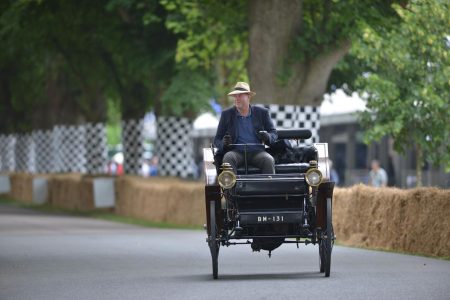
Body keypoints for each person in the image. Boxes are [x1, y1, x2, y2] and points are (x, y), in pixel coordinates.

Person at [213, 82, 277, 174]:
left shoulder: (262, 113)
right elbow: (217, 140)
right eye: (235, 96)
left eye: (240, 96)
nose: (237, 99)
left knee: (268, 160)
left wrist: (268, 137)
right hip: (236, 152)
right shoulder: (226, 114)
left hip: (257, 152)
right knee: (228, 157)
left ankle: (268, 188)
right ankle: (231, 188)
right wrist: (223, 143)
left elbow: (273, 133)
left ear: (248, 97)